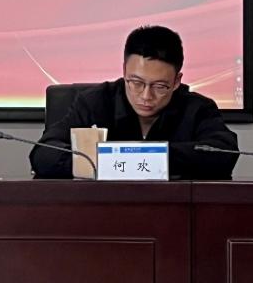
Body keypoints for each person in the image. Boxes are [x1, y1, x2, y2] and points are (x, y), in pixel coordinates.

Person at [30, 25, 238, 179]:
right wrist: (116, 162)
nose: (146, 95)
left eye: (160, 86)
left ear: (176, 81)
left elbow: (223, 153)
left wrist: (140, 158)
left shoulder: (198, 109)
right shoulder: (94, 102)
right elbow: (44, 153)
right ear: (124, 71)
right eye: (136, 82)